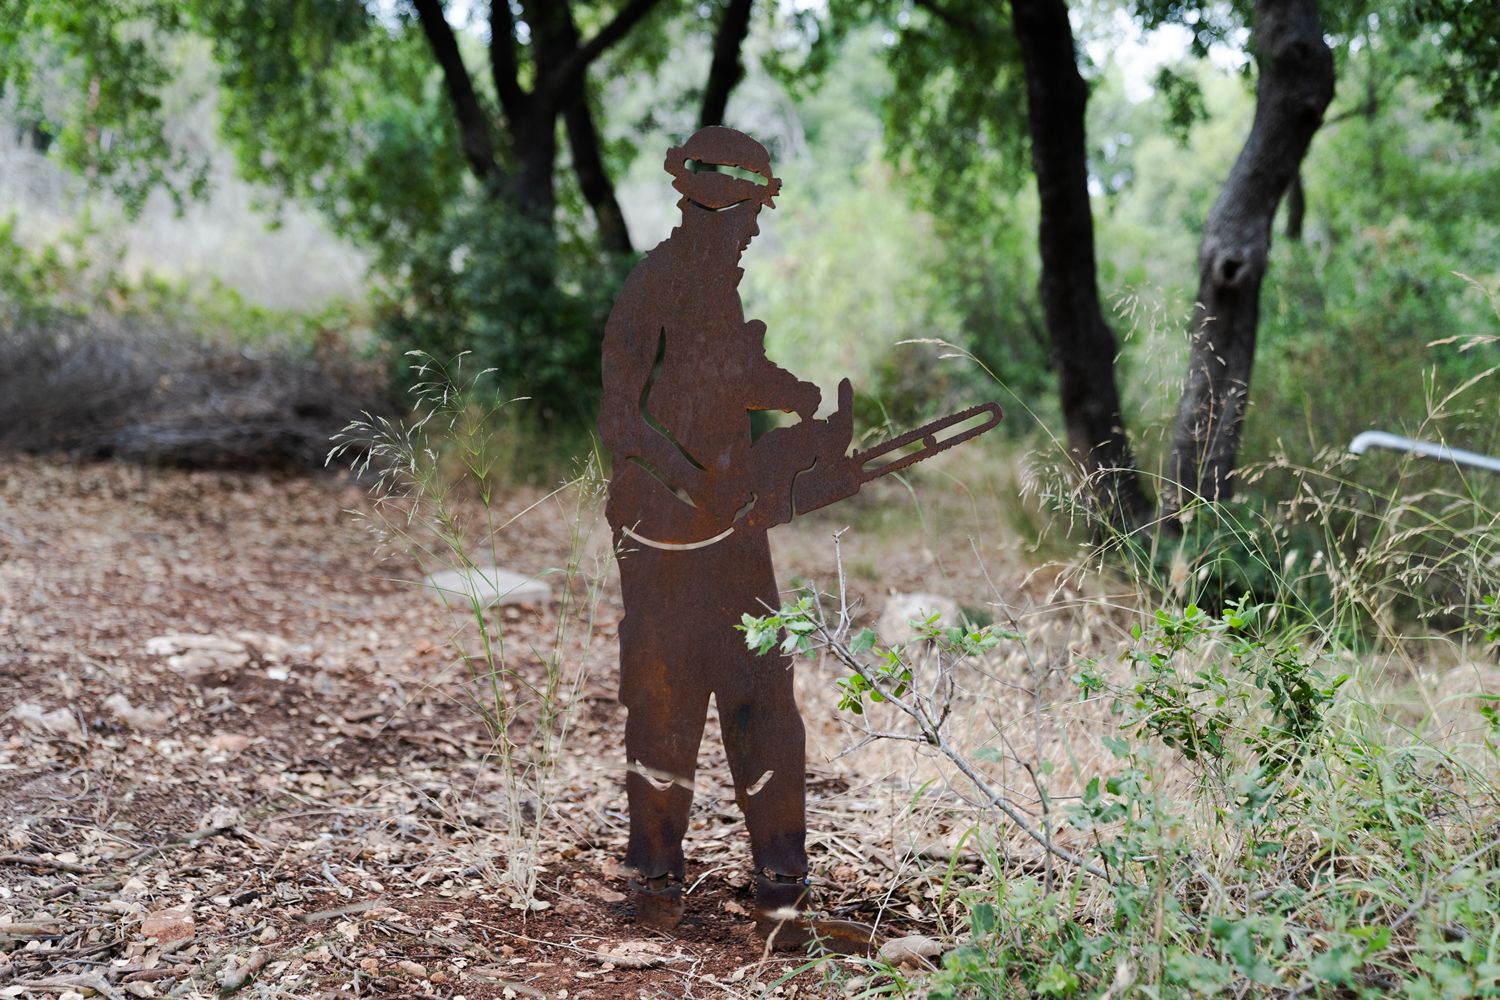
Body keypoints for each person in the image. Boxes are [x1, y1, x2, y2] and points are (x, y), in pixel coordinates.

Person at [598, 126, 854, 945]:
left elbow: (723, 378)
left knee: (764, 698)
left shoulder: (717, 290)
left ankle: (783, 896)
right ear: (717, 206)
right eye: (749, 212)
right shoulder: (655, 285)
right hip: (664, 538)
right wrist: (694, 485)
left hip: (734, 532)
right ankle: (655, 891)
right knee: (665, 698)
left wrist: (798, 402)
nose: (755, 228)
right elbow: (621, 419)